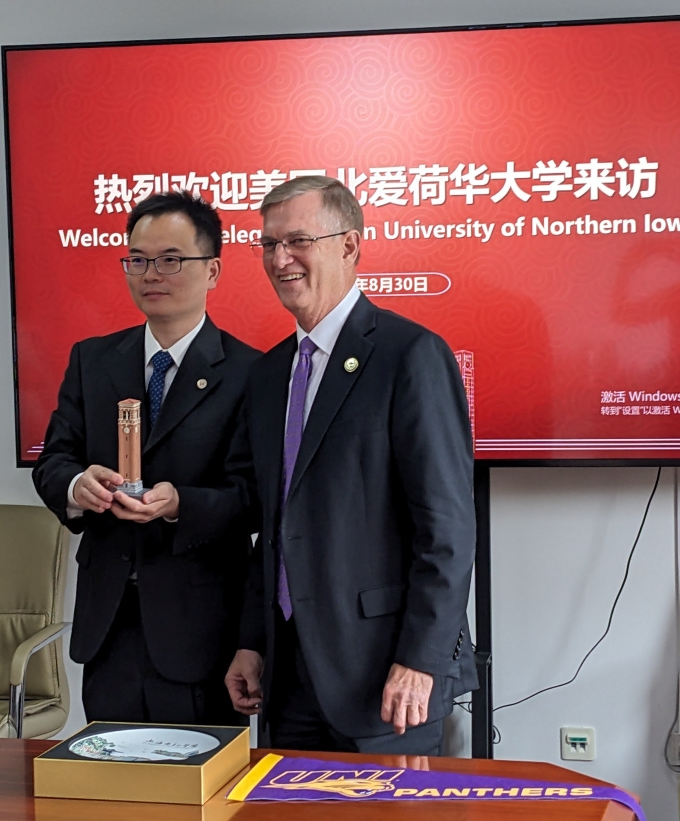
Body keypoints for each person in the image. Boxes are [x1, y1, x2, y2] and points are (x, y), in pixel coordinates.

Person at [223, 176, 476, 753]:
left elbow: (447, 530)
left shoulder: (410, 355)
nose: (279, 259)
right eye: (268, 245)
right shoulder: (268, 376)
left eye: (297, 241)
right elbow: (275, 526)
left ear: (349, 246)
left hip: (387, 679)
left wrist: (421, 659)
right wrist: (252, 641)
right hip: (288, 679)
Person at [35, 191, 259, 726]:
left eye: (171, 260)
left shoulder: (250, 372)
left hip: (200, 625)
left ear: (213, 271)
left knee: (198, 790)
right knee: (111, 783)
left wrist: (181, 504)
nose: (151, 273)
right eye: (137, 260)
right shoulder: (92, 360)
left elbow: (254, 497)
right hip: (108, 622)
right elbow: (54, 461)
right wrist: (75, 486)